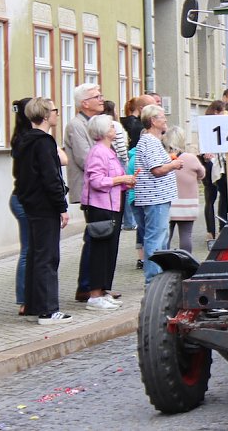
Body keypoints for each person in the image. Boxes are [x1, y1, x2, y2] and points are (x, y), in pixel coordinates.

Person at [15, 98, 71, 325]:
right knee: (47, 257)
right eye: (55, 110)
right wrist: (62, 206)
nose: (57, 113)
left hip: (31, 204)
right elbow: (51, 177)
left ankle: (33, 305)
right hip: (45, 206)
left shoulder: (23, 140)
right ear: (46, 115)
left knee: (35, 255)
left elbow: (22, 176)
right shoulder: (44, 142)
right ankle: (48, 310)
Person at [81, 115, 135, 311]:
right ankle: (95, 295)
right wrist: (121, 180)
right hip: (101, 207)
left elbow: (113, 178)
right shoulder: (98, 152)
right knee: (100, 251)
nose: (115, 129)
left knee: (110, 250)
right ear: (104, 131)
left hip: (113, 205)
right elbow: (96, 181)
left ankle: (103, 290)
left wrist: (126, 182)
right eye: (111, 126)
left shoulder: (108, 151)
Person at [63, 83, 104, 303]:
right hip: (90, 188)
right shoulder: (76, 125)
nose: (101, 99)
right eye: (96, 96)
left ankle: (97, 285)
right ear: (84, 103)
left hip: (101, 187)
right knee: (94, 236)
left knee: (99, 236)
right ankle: (87, 286)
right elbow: (85, 158)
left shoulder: (93, 122)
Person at [134, 104, 183, 283]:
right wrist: (173, 164)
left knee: (160, 237)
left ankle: (159, 277)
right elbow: (156, 170)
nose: (165, 120)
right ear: (153, 121)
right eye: (162, 117)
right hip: (155, 197)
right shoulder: (150, 141)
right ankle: (153, 279)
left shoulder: (152, 141)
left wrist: (168, 160)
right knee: (155, 238)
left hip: (159, 196)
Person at [163, 125, 205, 253]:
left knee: (165, 236)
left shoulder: (163, 157)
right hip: (187, 205)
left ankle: (164, 260)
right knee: (186, 235)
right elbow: (202, 174)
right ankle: (186, 260)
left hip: (167, 203)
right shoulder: (190, 158)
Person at [10, 98, 33, 316]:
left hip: (20, 198)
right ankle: (24, 299)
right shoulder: (28, 140)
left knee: (30, 249)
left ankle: (28, 297)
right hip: (24, 200)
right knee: (28, 250)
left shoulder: (21, 138)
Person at [202, 101, 226, 245]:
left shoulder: (205, 124)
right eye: (223, 111)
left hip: (209, 163)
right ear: (217, 112)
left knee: (210, 199)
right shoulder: (215, 125)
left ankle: (211, 232)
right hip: (213, 164)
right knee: (218, 197)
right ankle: (219, 229)